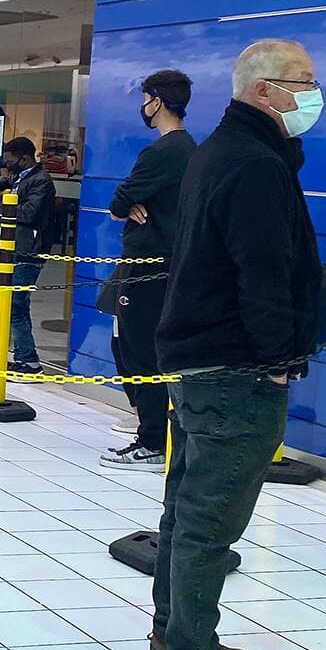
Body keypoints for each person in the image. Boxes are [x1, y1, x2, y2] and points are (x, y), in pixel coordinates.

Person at [152, 39, 326, 650]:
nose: (314, 94)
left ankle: (175, 637)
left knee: (186, 507)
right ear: (263, 90)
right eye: (303, 83)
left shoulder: (220, 150)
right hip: (235, 366)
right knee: (210, 520)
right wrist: (278, 358)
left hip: (200, 358)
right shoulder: (255, 163)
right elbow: (263, 270)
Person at [102, 70, 197, 470]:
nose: (143, 107)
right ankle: (155, 432)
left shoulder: (162, 152)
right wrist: (131, 205)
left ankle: (153, 440)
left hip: (148, 267)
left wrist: (129, 206)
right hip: (163, 266)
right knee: (136, 346)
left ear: (157, 101)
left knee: (138, 350)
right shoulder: (190, 149)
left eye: (145, 99)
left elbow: (118, 202)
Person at [0, 136, 56, 371]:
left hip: (28, 250)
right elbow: (10, 181)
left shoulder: (41, 181)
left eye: (10, 161)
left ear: (24, 159)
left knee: (16, 305)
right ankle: (4, 353)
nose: (7, 165)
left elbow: (29, 213)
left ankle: (28, 359)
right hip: (11, 247)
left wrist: (0, 201)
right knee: (4, 303)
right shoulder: (22, 176)